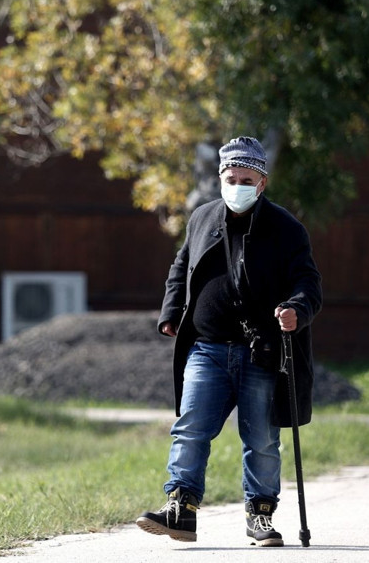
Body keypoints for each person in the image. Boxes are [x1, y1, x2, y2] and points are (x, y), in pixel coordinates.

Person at [136, 135, 322, 547]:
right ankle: (180, 509)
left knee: (261, 439)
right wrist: (171, 310)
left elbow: (308, 282)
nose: (236, 184)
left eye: (245, 178)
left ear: (262, 183)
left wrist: (296, 309)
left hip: (262, 351)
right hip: (207, 348)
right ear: (221, 178)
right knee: (190, 428)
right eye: (230, 177)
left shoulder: (286, 228)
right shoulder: (202, 218)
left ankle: (260, 516)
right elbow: (182, 264)